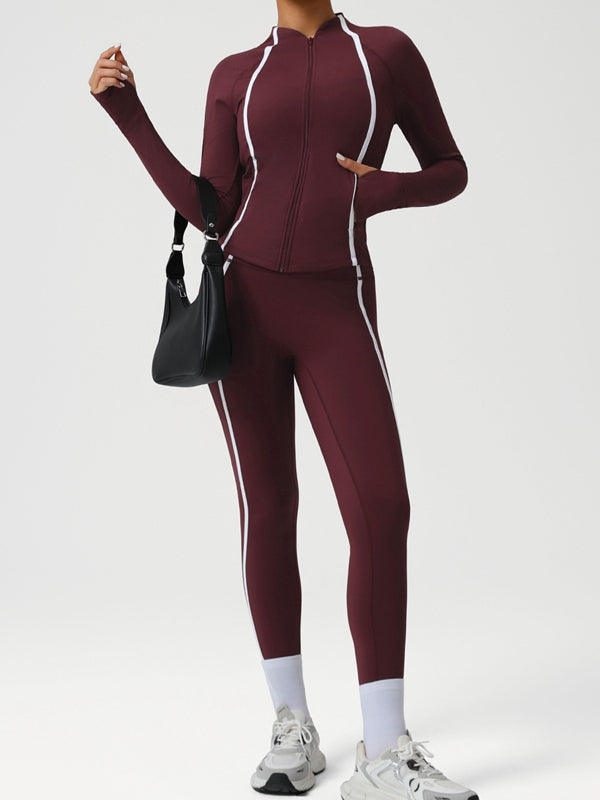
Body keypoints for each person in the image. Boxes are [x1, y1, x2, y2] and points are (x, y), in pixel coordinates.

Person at [88, 2, 477, 798]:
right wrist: (127, 113)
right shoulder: (235, 74)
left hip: (338, 307)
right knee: (268, 509)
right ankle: (292, 727)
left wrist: (382, 191)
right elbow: (210, 207)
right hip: (245, 310)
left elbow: (451, 168)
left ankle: (383, 752)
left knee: (382, 508)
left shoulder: (384, 53)